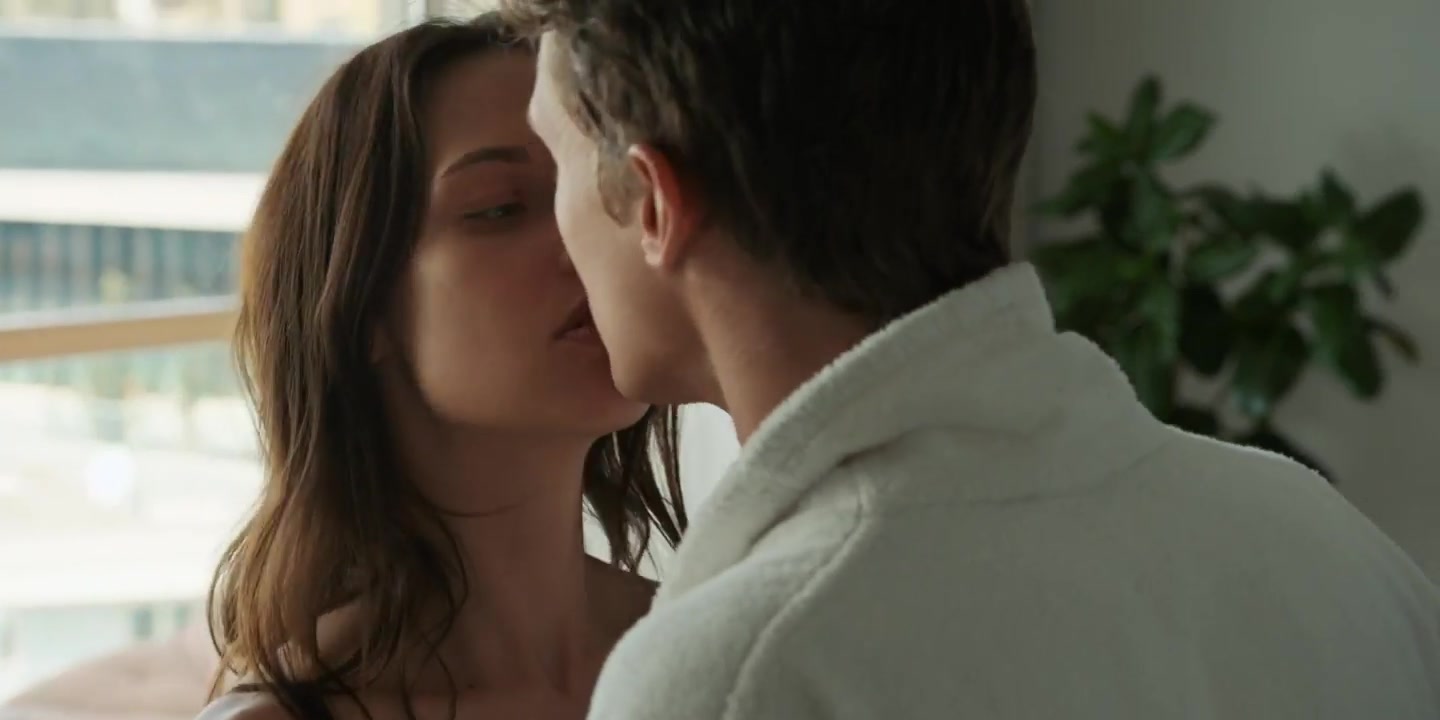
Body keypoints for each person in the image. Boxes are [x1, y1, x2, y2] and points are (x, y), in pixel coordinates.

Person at [503, 1, 1440, 718]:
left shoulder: (743, 676)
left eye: (553, 166)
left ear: (655, 202)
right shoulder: (1332, 548)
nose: (553, 233)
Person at [195, 14, 685, 720]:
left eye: (592, 186)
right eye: (501, 208)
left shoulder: (733, 655)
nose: (582, 239)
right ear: (362, 304)